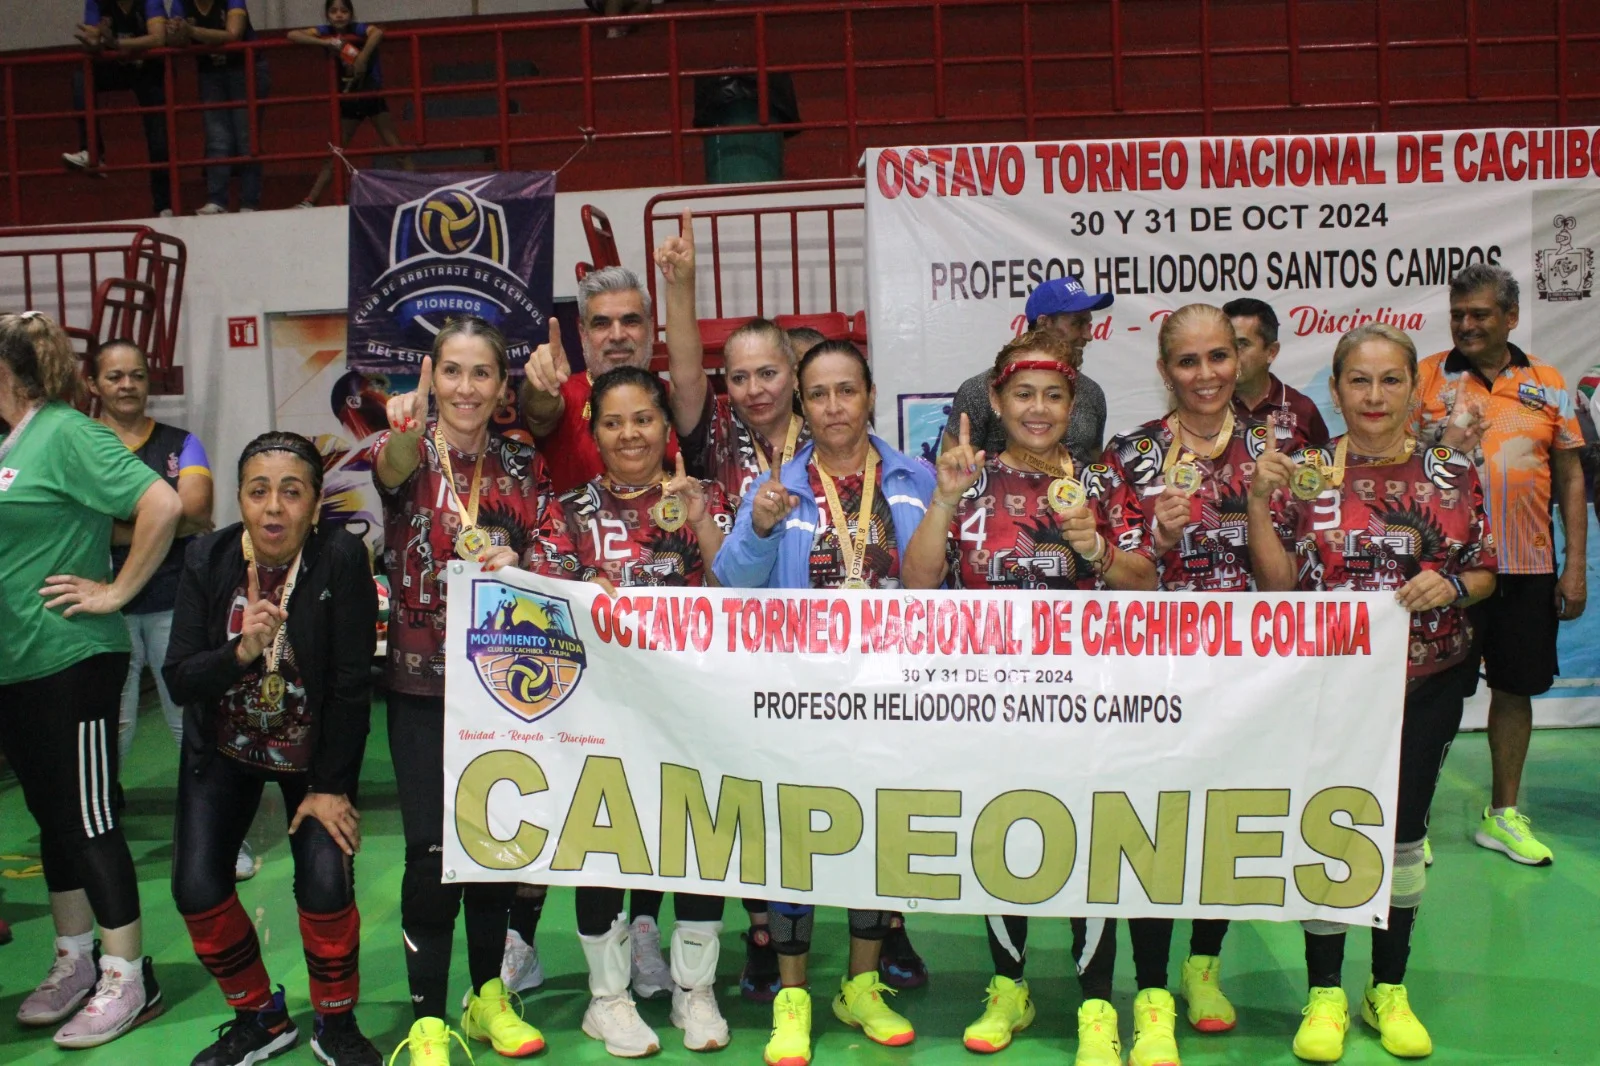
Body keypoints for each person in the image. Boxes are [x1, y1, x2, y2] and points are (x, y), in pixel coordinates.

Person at [900, 329, 1156, 1061]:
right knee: (1001, 836)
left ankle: (1097, 1004)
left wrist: (1096, 548)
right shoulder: (967, 476)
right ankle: (1008, 986)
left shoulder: (1101, 482)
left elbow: (1147, 581)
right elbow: (917, 581)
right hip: (993, 701)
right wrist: (944, 500)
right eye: (1022, 395)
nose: (1037, 409)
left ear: (1073, 405)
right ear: (996, 402)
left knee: (1091, 839)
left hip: (1088, 703)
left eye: (1052, 396)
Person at [1249, 322, 1497, 1062]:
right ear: (1336, 388)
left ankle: (1387, 985)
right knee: (1331, 827)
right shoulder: (1305, 472)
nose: (1375, 395)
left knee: (1404, 834)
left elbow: (1485, 569)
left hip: (1428, 681)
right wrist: (1258, 505)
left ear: (1414, 389)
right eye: (1359, 379)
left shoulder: (1451, 471)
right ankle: (1325, 990)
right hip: (1329, 688)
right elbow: (1276, 587)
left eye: (1392, 380)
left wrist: (1452, 585)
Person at [714, 340, 935, 1066]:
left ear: (869, 394)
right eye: (818, 394)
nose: (834, 406)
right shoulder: (775, 486)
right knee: (795, 842)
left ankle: (861, 986)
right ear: (802, 406)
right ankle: (793, 997)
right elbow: (731, 582)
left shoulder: (913, 479)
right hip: (799, 697)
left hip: (890, 696)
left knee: (874, 837)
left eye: (847, 390)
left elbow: (940, 584)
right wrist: (761, 526)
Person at [375, 316, 589, 1065]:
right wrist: (404, 425)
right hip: (421, 689)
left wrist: (521, 561)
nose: (466, 388)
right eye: (452, 371)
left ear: (502, 387)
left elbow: (560, 551)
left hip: (503, 685)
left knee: (496, 845)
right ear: (432, 377)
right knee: (431, 856)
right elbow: (392, 469)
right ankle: (428, 1020)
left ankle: (488, 996)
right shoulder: (407, 449)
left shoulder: (522, 465)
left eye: (482, 373)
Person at [165, 432, 381, 1066]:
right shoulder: (206, 557)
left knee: (324, 883)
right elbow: (179, 679)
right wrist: (240, 652)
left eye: (292, 492)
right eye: (258, 492)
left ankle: (336, 1023)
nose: (273, 508)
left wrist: (331, 787)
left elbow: (351, 686)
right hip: (225, 746)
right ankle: (260, 1017)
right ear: (239, 499)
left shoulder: (341, 557)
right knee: (196, 887)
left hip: (312, 756)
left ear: (314, 505)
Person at [0, 311, 182, 1048]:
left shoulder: (67, 432)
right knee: (52, 821)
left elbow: (162, 503)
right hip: (17, 662)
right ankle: (75, 959)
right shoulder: (12, 442)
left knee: (89, 820)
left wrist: (116, 592)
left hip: (72, 656)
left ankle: (127, 974)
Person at [1099, 303, 1269, 1065]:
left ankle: (1204, 966)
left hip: (1250, 678)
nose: (1206, 374)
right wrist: (1160, 538)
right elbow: (1112, 573)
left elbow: (1300, 573)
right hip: (1156, 678)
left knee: (1221, 826)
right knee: (1157, 829)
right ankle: (1151, 994)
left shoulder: (1277, 448)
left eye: (1219, 356)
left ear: (1241, 358)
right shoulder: (1131, 456)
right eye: (1189, 361)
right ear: (1165, 370)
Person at [558, 366, 732, 1056]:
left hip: (694, 711)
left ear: (666, 424)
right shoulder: (567, 511)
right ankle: (607, 999)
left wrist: (702, 521)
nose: (629, 434)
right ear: (593, 432)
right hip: (600, 715)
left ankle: (695, 990)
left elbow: (745, 588)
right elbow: (543, 604)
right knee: (603, 844)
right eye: (613, 422)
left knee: (698, 840)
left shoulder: (708, 496)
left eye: (643, 419)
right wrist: (578, 586)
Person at [1414, 263, 1585, 867]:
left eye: (1480, 314)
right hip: (1448, 573)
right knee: (1434, 693)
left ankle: (1503, 815)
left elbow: (1570, 475)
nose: (1466, 325)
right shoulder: (1424, 379)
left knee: (1516, 689)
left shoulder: (1548, 382)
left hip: (1528, 566)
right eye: (1458, 314)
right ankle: (1412, 820)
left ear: (1510, 317)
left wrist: (1575, 566)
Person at [521, 266, 678, 494]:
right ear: (582, 332)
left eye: (630, 321)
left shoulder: (676, 399)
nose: (617, 336)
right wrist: (543, 383)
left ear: (650, 328)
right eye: (601, 324)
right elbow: (539, 409)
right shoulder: (565, 394)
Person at [943, 276, 1111, 469]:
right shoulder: (980, 389)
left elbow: (1095, 468)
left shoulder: (1092, 392)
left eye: (1055, 396)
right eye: (1077, 323)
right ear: (1044, 322)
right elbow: (955, 472)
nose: (1088, 336)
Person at [288, 0, 406, 209]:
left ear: (351, 14)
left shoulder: (357, 29)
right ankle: (310, 200)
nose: (339, 15)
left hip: (370, 94)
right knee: (335, 151)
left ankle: (420, 192)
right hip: (348, 99)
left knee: (395, 146)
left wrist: (362, 57)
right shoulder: (325, 32)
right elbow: (293, 35)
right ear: (327, 15)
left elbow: (377, 32)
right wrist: (327, 43)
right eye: (333, 11)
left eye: (344, 11)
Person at [64, 0, 173, 218]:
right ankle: (92, 151)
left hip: (149, 69)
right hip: (118, 65)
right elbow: (94, 39)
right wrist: (93, 43)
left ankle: (164, 204)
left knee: (158, 138)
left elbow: (158, 38)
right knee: (82, 77)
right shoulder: (96, 2)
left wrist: (116, 43)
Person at [169, 0, 267, 215]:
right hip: (210, 71)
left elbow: (234, 34)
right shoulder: (180, 3)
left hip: (245, 68)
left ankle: (249, 202)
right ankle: (217, 200)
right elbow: (175, 41)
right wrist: (176, 31)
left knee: (245, 137)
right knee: (216, 137)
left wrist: (191, 31)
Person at [1225, 297, 1330, 450]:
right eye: (1226, 344)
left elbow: (1323, 463)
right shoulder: (1207, 404)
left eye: (1242, 344)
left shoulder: (1302, 409)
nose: (1231, 353)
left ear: (1271, 352)